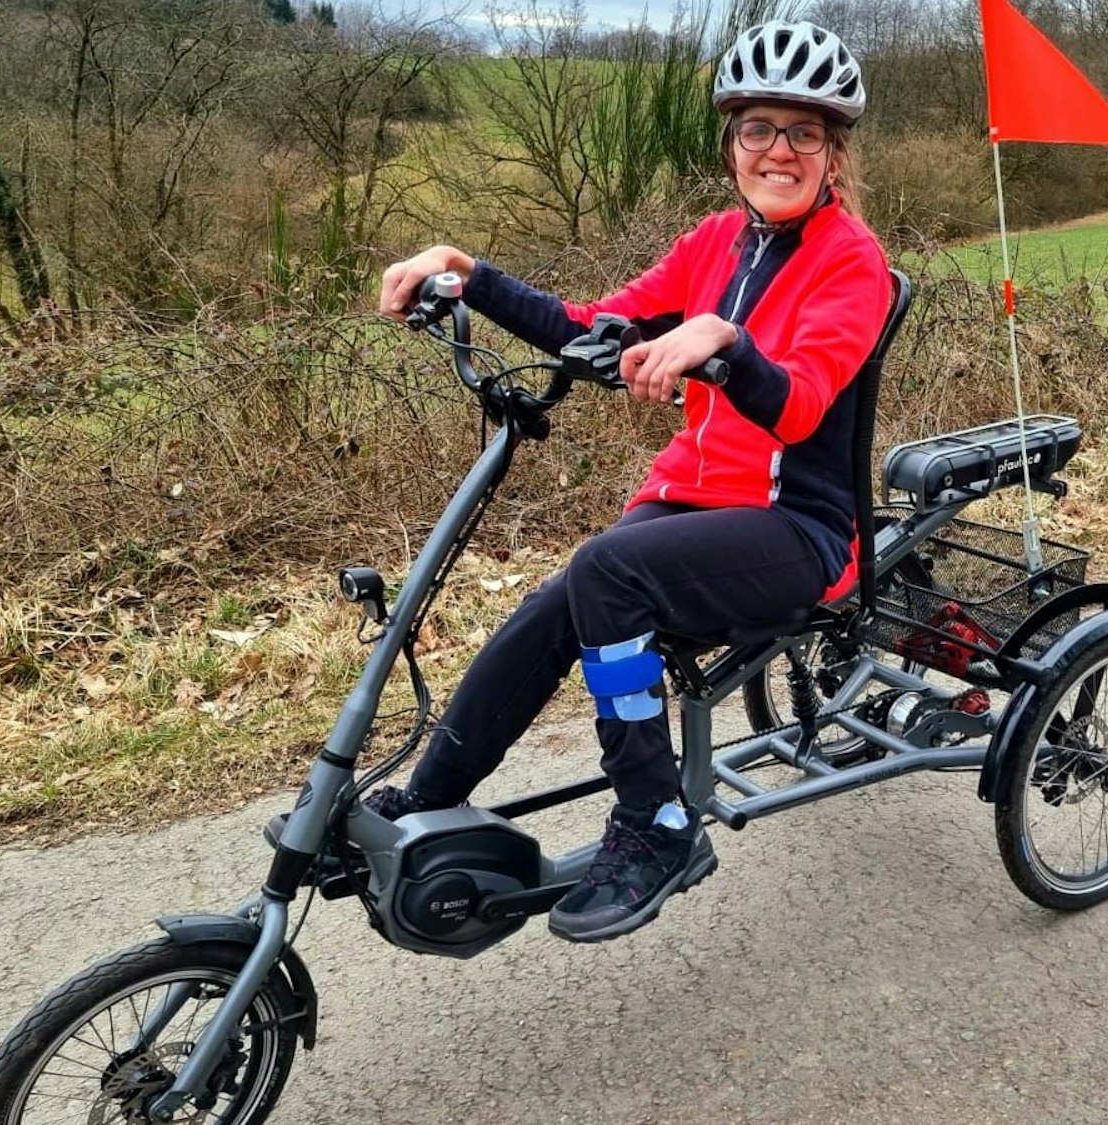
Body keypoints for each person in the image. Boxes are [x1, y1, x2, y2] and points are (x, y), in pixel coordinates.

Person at [371, 21, 891, 944]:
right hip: (697, 510)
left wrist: (723, 344)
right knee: (567, 596)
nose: (778, 149)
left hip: (798, 529)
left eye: (802, 132)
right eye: (758, 129)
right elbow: (592, 324)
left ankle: (655, 821)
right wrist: (466, 271)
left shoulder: (852, 263)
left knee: (608, 571)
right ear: (732, 144)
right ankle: (426, 802)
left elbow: (803, 403)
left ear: (832, 151)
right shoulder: (716, 245)